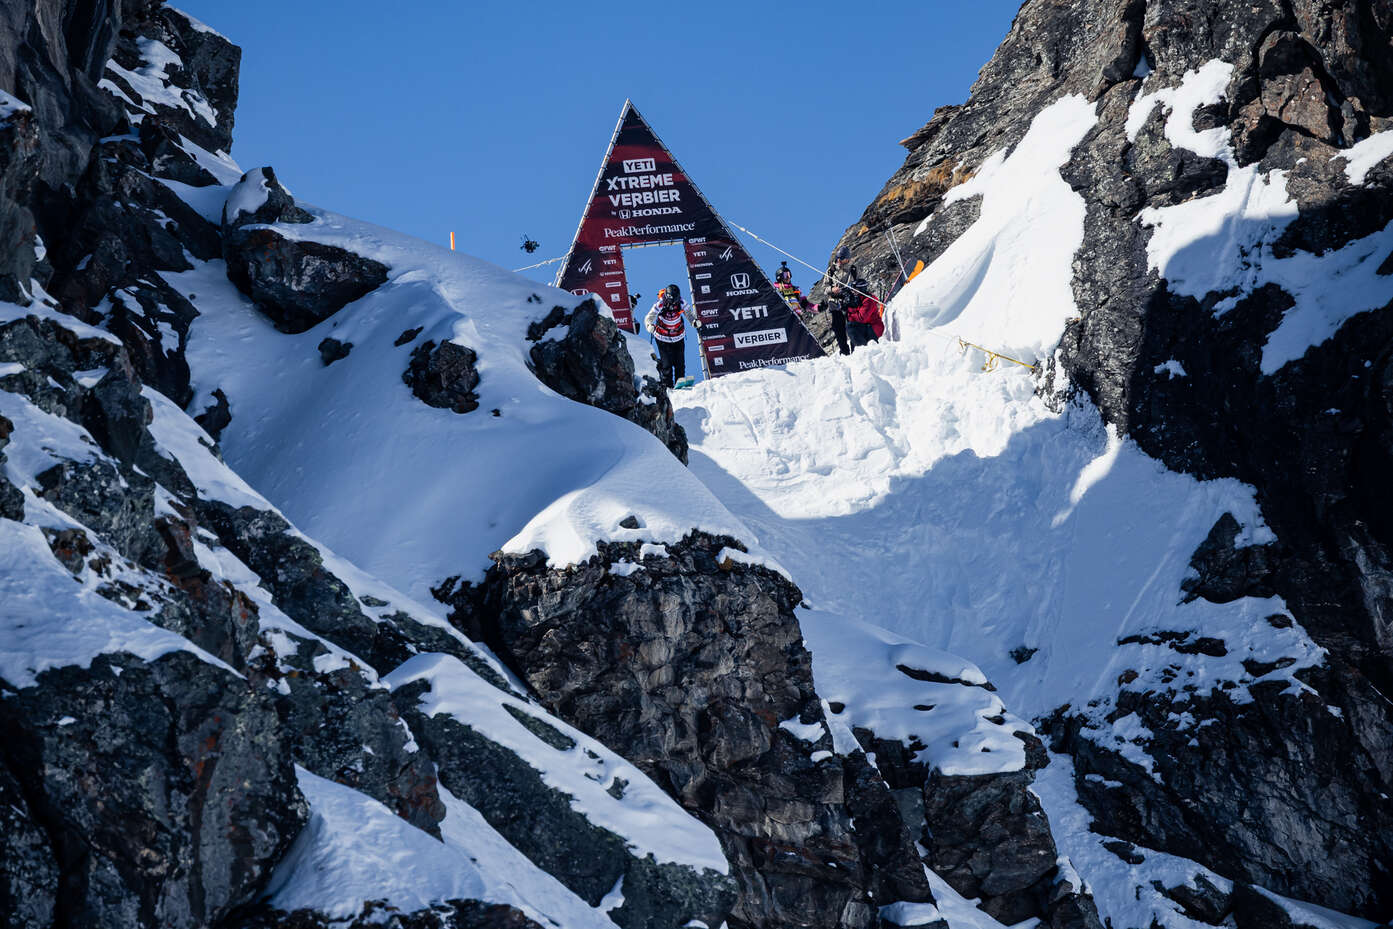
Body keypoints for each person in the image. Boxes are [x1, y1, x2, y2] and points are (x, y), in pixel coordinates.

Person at [643, 283, 697, 388]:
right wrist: (649, 325)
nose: (674, 303)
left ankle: (680, 382)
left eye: (676, 300)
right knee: (666, 364)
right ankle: (668, 386)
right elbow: (649, 317)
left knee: (680, 362)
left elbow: (689, 314)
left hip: (678, 336)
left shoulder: (681, 302)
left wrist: (694, 322)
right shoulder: (660, 304)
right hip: (662, 338)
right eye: (672, 300)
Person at [823, 245, 855, 355]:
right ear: (839, 259)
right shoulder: (831, 271)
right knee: (839, 330)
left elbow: (857, 283)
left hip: (849, 302)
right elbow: (825, 288)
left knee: (852, 327)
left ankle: (855, 351)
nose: (847, 261)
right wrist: (832, 289)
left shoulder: (852, 270)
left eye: (847, 259)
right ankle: (844, 352)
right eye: (845, 259)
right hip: (835, 305)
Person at [845, 276, 883, 350]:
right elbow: (852, 318)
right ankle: (856, 355)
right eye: (852, 290)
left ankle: (863, 350)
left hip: (873, 328)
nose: (853, 292)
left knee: (851, 326)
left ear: (861, 289)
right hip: (867, 327)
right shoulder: (859, 300)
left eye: (855, 290)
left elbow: (861, 318)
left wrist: (850, 309)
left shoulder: (868, 300)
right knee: (852, 334)